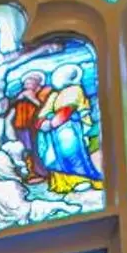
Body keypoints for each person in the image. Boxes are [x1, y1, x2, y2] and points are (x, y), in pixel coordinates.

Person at [35, 61, 102, 192]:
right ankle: (63, 183)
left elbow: (68, 109)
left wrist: (52, 123)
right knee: (54, 157)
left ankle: (81, 179)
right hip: (53, 133)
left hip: (70, 129)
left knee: (73, 153)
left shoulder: (75, 89)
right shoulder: (54, 95)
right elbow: (43, 114)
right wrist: (44, 123)